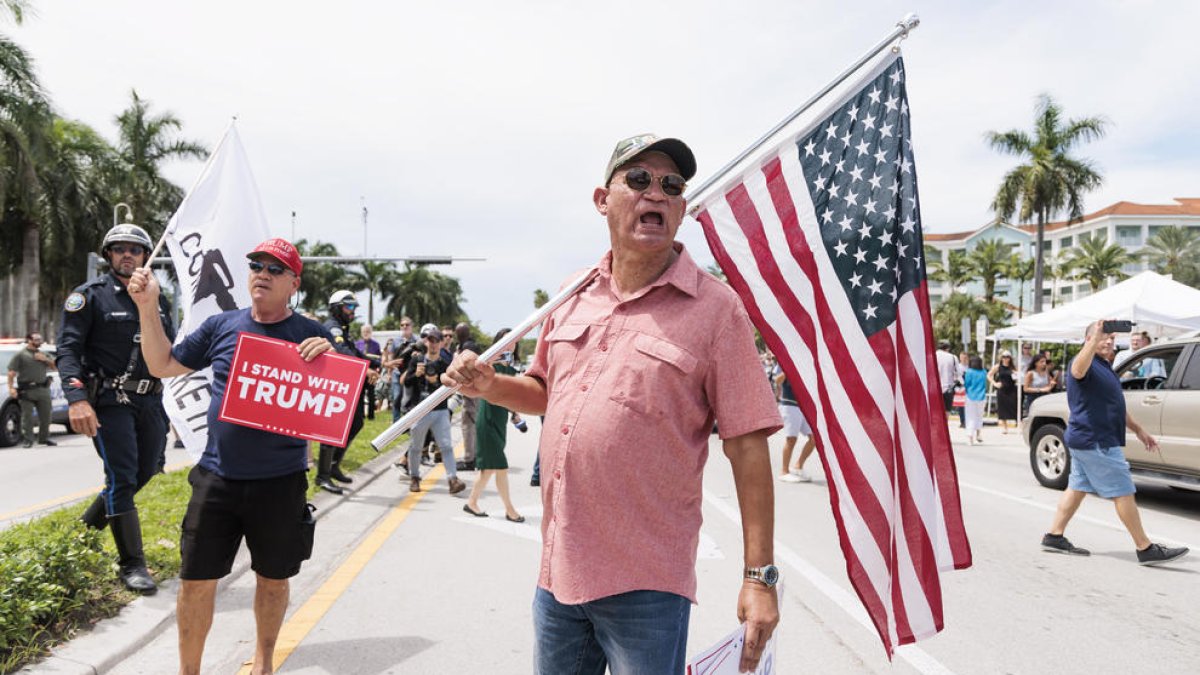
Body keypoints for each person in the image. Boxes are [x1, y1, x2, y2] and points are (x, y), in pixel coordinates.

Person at [443, 134, 781, 673]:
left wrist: (758, 577)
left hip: (647, 586)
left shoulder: (717, 310)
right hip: (558, 576)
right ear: (604, 199)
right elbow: (544, 394)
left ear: (682, 207)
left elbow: (747, 445)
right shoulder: (572, 292)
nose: (658, 193)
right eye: (640, 180)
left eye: (672, 186)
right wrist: (487, 384)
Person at [127, 237, 336, 675]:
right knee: (194, 583)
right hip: (217, 479)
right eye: (257, 265)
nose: (262, 272)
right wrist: (148, 307)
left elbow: (346, 397)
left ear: (293, 283)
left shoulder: (314, 334)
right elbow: (162, 365)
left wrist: (332, 360)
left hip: (281, 482)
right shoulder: (222, 326)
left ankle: (263, 661)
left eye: (275, 268)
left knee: (274, 579)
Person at [57, 223, 174, 594]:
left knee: (148, 469)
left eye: (135, 250)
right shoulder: (88, 296)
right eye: (120, 248)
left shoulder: (159, 297)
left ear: (145, 256)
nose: (128, 254)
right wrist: (77, 399)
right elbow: (68, 351)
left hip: (151, 398)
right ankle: (133, 565)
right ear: (109, 255)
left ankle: (84, 530)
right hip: (111, 401)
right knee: (122, 476)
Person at [1041, 319, 1189, 566]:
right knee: (1124, 491)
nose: (1109, 341)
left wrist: (1139, 430)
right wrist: (1093, 337)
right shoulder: (1083, 363)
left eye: (1111, 338)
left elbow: (1115, 404)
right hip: (1094, 440)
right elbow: (1077, 370)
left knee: (1077, 488)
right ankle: (1145, 547)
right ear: (1089, 340)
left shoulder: (1104, 366)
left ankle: (1054, 535)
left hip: (1090, 439)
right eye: (1103, 336)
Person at [463, 329, 525, 522]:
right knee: (499, 466)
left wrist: (515, 413)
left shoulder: (512, 366)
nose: (510, 344)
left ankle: (472, 502)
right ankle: (510, 510)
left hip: (500, 419)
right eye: (506, 341)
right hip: (488, 418)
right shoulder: (490, 364)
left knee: (489, 469)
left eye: (513, 340)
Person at [314, 290, 373, 495]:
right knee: (331, 430)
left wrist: (379, 362)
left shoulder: (343, 329)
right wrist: (367, 368)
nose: (352, 311)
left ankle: (333, 465)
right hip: (333, 384)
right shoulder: (332, 328)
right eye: (349, 306)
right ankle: (322, 477)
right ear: (336, 308)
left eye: (354, 307)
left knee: (356, 423)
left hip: (345, 385)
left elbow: (355, 352)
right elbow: (343, 353)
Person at [402, 323, 467, 495]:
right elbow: (406, 382)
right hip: (419, 410)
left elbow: (452, 386)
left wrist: (436, 382)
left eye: (436, 340)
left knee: (446, 446)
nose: (433, 344)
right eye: (430, 340)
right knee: (415, 447)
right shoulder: (417, 360)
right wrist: (415, 374)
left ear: (440, 343)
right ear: (426, 342)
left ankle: (453, 479)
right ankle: (415, 477)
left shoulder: (444, 363)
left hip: (440, 410)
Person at [7, 332, 57, 448]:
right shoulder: (21, 355)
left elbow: (55, 366)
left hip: (43, 389)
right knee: (27, 416)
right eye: (36, 339)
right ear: (29, 340)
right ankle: (28, 439)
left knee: (46, 415)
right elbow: (11, 372)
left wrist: (45, 359)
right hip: (27, 390)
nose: (39, 341)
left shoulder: (43, 354)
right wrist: (11, 388)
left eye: (40, 339)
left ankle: (44, 438)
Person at [774, 369, 815, 483]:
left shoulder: (805, 361)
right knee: (791, 439)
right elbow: (777, 380)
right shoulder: (785, 359)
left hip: (804, 406)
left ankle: (798, 466)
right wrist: (789, 368)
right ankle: (784, 471)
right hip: (789, 405)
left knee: (814, 438)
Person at [454, 322, 480, 471]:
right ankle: (474, 456)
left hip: (471, 390)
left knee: (467, 424)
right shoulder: (472, 345)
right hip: (475, 389)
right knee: (472, 424)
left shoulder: (467, 348)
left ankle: (470, 459)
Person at [356, 324, 383, 420]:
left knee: (371, 395)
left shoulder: (376, 345)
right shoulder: (357, 344)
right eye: (364, 331)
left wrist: (378, 369)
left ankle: (371, 416)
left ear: (371, 332)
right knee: (360, 395)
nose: (366, 333)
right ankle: (361, 415)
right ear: (361, 333)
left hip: (372, 372)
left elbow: (380, 359)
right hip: (361, 372)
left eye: (368, 331)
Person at [988, 350, 1018, 433]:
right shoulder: (998, 367)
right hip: (1002, 389)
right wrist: (994, 383)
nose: (1005, 359)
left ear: (1010, 358)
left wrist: (1016, 375)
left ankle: (1018, 424)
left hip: (1011, 388)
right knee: (1002, 408)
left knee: (1014, 406)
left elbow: (1017, 377)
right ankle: (1005, 427)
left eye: (1007, 357)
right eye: (1004, 357)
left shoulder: (1013, 367)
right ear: (1001, 358)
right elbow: (989, 375)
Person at [963, 356, 987, 445]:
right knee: (979, 416)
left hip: (970, 396)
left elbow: (966, 384)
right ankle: (978, 434)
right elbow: (985, 384)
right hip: (982, 396)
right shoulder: (984, 372)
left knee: (970, 417)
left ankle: (970, 438)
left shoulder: (969, 372)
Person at [935, 340, 958, 415]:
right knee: (946, 411)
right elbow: (958, 373)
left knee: (935, 410)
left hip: (934, 388)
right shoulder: (953, 357)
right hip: (948, 388)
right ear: (948, 348)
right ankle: (944, 426)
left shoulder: (932, 355)